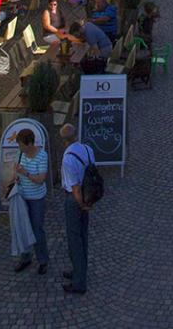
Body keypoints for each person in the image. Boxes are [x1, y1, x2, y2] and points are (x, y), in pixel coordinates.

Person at [60, 122, 96, 294]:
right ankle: (79, 270)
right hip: (88, 195)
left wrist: (81, 205)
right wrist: (87, 203)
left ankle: (79, 281)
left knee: (75, 239)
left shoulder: (68, 159)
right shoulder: (88, 149)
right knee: (83, 235)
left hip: (75, 200)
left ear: (63, 140)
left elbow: (74, 188)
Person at [11, 127, 50, 274]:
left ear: (29, 144)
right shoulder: (21, 154)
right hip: (22, 196)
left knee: (37, 229)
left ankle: (43, 260)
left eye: (21, 145)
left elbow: (40, 179)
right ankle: (25, 257)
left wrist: (25, 173)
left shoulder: (42, 156)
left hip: (36, 198)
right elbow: (16, 172)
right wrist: (16, 176)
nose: (19, 148)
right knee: (22, 227)